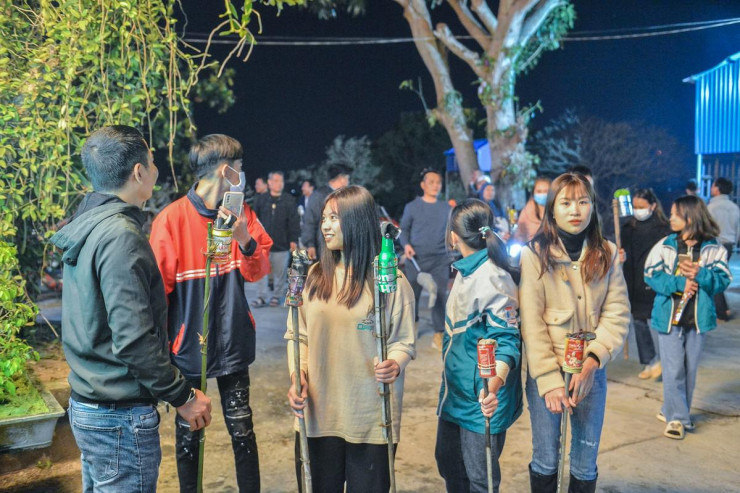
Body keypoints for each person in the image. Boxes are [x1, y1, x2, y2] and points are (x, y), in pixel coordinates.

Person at [50, 125, 212, 492]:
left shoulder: (89, 224)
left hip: (92, 405)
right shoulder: (120, 235)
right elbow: (134, 340)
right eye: (152, 162)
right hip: (117, 416)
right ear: (139, 172)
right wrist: (183, 396)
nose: (155, 169)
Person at [149, 134, 272, 492]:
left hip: (234, 342)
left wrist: (244, 239)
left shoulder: (241, 213)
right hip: (189, 349)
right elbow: (156, 296)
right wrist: (163, 352)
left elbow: (258, 270)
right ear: (225, 170)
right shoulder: (170, 220)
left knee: (243, 429)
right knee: (190, 434)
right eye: (240, 167)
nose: (243, 174)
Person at [286, 185, 416, 491]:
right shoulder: (314, 277)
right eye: (324, 218)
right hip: (318, 415)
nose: (325, 226)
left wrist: (395, 362)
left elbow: (403, 341)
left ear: (358, 221)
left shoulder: (389, 280)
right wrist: (296, 375)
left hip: (371, 418)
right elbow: (297, 335)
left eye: (335, 218)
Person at [520, 172, 629, 492]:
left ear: (593, 207)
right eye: (566, 203)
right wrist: (549, 381)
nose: (575, 210)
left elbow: (617, 312)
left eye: (583, 202)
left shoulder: (607, 252)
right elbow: (532, 323)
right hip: (547, 372)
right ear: (552, 209)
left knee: (585, 459)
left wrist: (593, 362)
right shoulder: (534, 254)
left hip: (590, 372)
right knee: (545, 458)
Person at [435, 199, 522, 493]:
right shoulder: (467, 270)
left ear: (453, 236)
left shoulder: (494, 278)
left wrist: (492, 388)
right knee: (449, 464)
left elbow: (507, 341)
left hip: (481, 399)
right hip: (456, 394)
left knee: (479, 479)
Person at [644, 195, 731, 440]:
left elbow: (722, 280)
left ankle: (669, 409)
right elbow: (650, 274)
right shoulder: (665, 245)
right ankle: (678, 419)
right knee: (673, 369)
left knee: (689, 370)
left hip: (697, 319)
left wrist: (701, 274)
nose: (670, 218)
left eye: (675, 214)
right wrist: (679, 283)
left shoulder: (714, 248)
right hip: (668, 318)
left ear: (690, 217)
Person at [619, 189, 671, 380]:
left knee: (658, 322)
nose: (638, 210)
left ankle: (665, 361)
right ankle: (650, 362)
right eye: (635, 206)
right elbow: (622, 251)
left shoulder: (664, 229)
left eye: (642, 206)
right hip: (634, 281)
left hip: (655, 280)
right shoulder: (628, 228)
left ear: (653, 206)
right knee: (639, 322)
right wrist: (620, 256)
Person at [398, 168, 452, 350]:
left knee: (439, 295)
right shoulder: (412, 207)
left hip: (440, 259)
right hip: (416, 259)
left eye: (438, 183)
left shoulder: (446, 208)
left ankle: (439, 333)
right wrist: (406, 245)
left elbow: (451, 231)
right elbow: (403, 230)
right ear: (423, 185)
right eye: (432, 182)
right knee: (412, 295)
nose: (436, 186)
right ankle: (411, 328)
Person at [252, 171, 300, 307]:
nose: (279, 184)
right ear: (270, 182)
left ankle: (276, 296)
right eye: (276, 181)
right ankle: (261, 297)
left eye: (281, 181)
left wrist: (293, 239)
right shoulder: (261, 199)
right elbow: (254, 220)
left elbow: (294, 221)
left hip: (282, 243)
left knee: (280, 273)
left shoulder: (289, 200)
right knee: (262, 272)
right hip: (263, 244)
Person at [300, 164, 351, 260]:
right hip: (325, 248)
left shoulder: (344, 195)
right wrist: (310, 244)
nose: (348, 182)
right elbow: (310, 221)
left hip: (343, 246)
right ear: (341, 178)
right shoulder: (320, 195)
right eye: (348, 178)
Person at [707, 177, 739, 320]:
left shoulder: (711, 207)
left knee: (713, 277)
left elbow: (706, 228)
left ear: (717, 189)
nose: (711, 188)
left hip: (715, 245)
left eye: (713, 186)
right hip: (729, 245)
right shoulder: (734, 207)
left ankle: (722, 311)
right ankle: (723, 309)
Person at [514, 176, 551, 243]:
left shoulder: (558, 211)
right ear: (533, 193)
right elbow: (519, 235)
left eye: (546, 191)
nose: (542, 194)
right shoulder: (526, 212)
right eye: (539, 191)